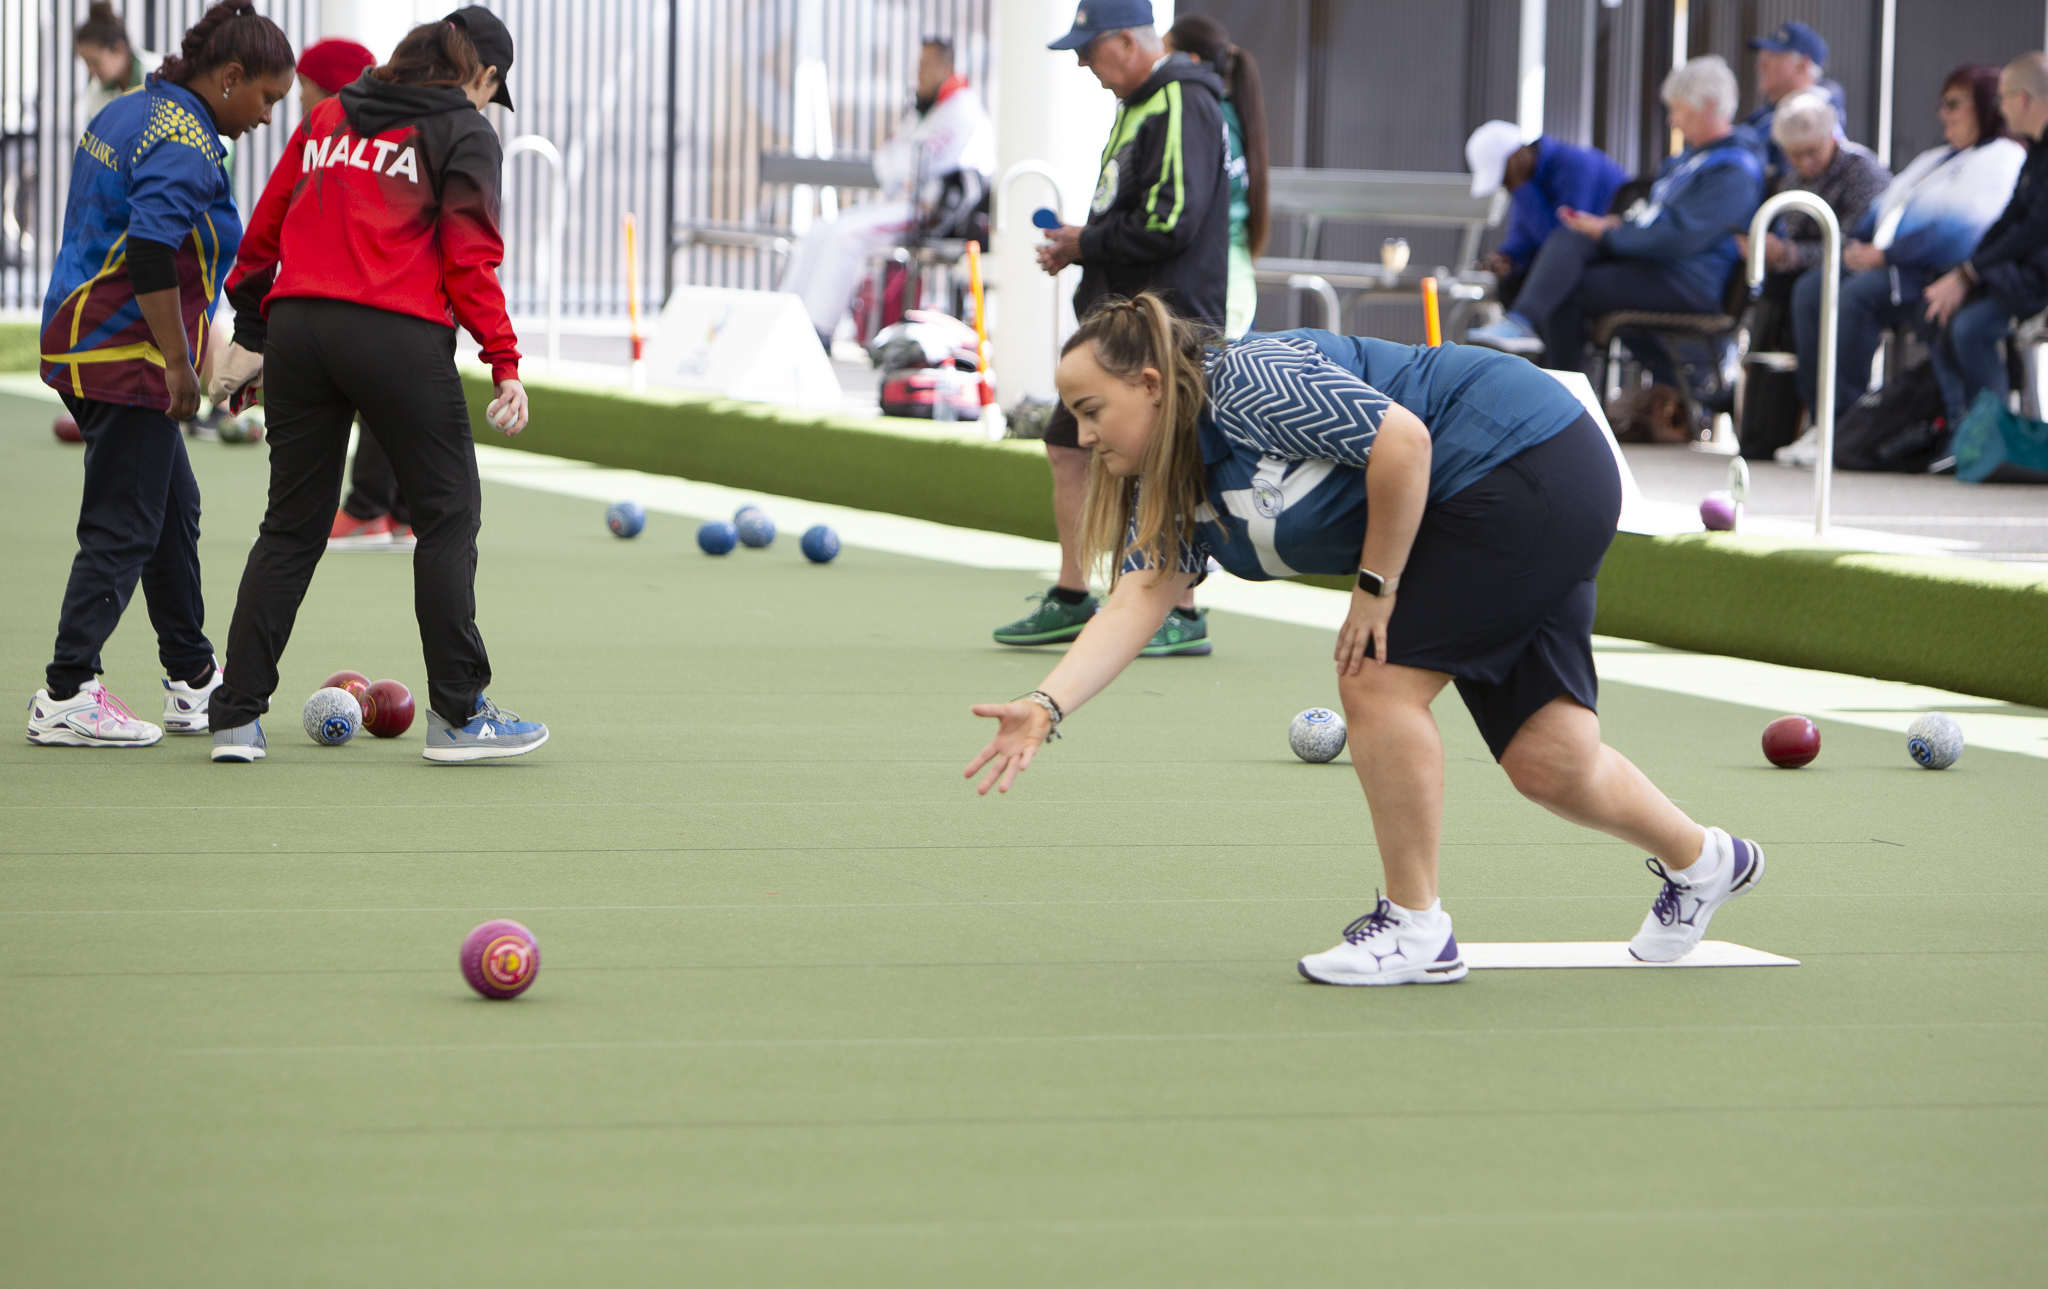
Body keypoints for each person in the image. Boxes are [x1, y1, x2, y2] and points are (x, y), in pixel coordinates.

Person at [965, 294, 1766, 981]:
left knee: (1374, 677)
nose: (1084, 435)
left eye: (1091, 411)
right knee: (1549, 761)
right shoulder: (1173, 484)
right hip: (1506, 487)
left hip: (1520, 455)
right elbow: (1140, 597)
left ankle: (1415, 928)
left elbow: (1403, 441)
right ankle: (1706, 861)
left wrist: (1374, 591)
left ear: (1149, 385)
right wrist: (1046, 703)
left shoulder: (1241, 382)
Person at [206, 8, 545, 764]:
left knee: (291, 526)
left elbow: (264, 231)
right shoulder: (464, 129)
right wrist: (505, 359)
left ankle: (234, 715)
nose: (489, 104)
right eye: (494, 90)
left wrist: (257, 337)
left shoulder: (330, 114)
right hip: (396, 333)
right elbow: (468, 258)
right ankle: (459, 715)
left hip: (299, 330)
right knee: (448, 512)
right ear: (482, 74)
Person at [26, 0, 295, 750]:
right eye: (266, 97)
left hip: (84, 337)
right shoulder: (186, 140)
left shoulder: (133, 109)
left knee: (173, 509)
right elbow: (149, 250)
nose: (269, 116)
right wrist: (182, 365)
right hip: (125, 354)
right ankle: (67, 691)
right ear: (230, 76)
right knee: (128, 522)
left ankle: (191, 677)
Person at [994, 1, 1229, 659]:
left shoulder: (1181, 99)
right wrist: (1082, 246)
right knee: (1068, 444)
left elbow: (1174, 219)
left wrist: (1085, 241)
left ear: (1125, 42)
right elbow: (1134, 210)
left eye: (1087, 49)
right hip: (1119, 319)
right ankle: (1074, 595)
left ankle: (1182, 610)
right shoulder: (1139, 102)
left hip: (1169, 320)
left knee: (1172, 457)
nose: (1080, 64)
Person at [1467, 56, 1762, 388]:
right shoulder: (1688, 160)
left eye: (1679, 110)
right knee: (1571, 241)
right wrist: (1614, 224)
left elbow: (1677, 237)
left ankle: (1561, 391)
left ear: (1708, 106)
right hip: (1658, 265)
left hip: (1689, 278)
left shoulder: (1733, 170)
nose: (1673, 120)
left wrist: (1612, 234)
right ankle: (1528, 335)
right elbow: (1654, 219)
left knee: (1569, 285)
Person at [1786, 65, 2024, 458]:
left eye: (1953, 104)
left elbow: (1963, 232)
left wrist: (1886, 255)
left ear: (1985, 104)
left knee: (1855, 298)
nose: (1942, 113)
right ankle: (1822, 420)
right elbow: (1883, 208)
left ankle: (1845, 427)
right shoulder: (1937, 157)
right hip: (1891, 262)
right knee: (1811, 288)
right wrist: (1857, 245)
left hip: (1934, 273)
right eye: (1942, 104)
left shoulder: (2002, 157)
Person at [287, 37, 418, 553]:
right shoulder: (403, 130)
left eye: (304, 87)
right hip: (413, 295)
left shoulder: (349, 138)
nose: (298, 99)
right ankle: (403, 513)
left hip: (387, 294)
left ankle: (367, 509)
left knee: (378, 396)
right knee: (402, 401)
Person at [780, 37, 995, 348]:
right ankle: (788, 315)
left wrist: (902, 167)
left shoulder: (962, 109)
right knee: (819, 230)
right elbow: (886, 161)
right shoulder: (924, 108)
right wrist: (901, 167)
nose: (918, 72)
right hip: (897, 200)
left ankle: (816, 332)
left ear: (945, 67)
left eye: (926, 65)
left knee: (845, 236)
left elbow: (918, 164)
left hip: (927, 211)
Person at [1922, 53, 2048, 432]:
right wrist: (1962, 275)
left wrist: (1969, 274)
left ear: (2023, 100)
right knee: (1935, 312)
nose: (2000, 107)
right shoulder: (2036, 152)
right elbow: (2008, 220)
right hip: (2025, 273)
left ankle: (1996, 437)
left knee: (1971, 328)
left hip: (2039, 280)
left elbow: (2037, 229)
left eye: (2002, 98)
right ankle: (1964, 432)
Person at [1733, 91, 1889, 355]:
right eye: (1795, 155)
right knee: (1771, 286)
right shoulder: (1792, 180)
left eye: (1813, 151)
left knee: (1805, 289)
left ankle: (1813, 388)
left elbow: (1852, 247)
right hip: (1811, 268)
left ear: (1832, 137)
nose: (1805, 162)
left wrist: (1789, 254)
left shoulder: (1863, 172)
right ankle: (1764, 380)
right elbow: (1797, 240)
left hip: (1862, 266)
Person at [1164, 14, 1270, 341]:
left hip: (1218, 288)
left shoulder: (1201, 116)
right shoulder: (1233, 115)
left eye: (1165, 53)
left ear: (1191, 60)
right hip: (1236, 280)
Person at [1465, 119, 1628, 310]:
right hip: (1583, 258)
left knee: (1558, 287)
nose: (1505, 185)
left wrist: (1521, 188)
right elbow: (1523, 234)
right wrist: (1506, 257)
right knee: (1509, 284)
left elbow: (1561, 241)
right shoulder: (1529, 181)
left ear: (1516, 158)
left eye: (1504, 177)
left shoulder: (1573, 165)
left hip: (1614, 256)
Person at [1742, 20, 1848, 181]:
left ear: (1803, 66)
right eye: (1762, 57)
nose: (1760, 66)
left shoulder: (1818, 120)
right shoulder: (1763, 117)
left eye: (1772, 57)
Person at [73, 2, 162, 124]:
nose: (90, 70)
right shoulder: (94, 93)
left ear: (120, 49)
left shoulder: (159, 74)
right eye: (86, 62)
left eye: (94, 61)